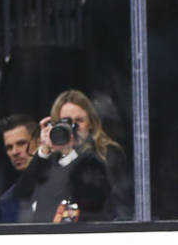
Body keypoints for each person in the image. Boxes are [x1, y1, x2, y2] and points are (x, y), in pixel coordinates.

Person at [12, 89, 126, 223]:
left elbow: (93, 199)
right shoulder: (49, 158)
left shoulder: (107, 152)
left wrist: (69, 152)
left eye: (79, 121)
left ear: (91, 124)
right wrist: (43, 152)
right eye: (66, 121)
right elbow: (21, 195)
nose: (73, 128)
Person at [0, 113, 36, 223]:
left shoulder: (64, 184)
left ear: (39, 141)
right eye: (9, 147)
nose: (14, 152)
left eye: (21, 143)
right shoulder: (7, 201)